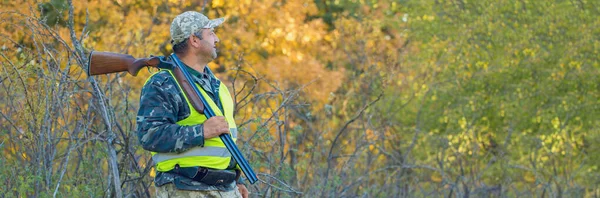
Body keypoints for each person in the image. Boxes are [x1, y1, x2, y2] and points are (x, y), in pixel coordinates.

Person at [136, 11, 249, 198]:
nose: (217, 38)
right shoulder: (164, 83)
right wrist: (201, 132)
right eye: (211, 32)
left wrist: (236, 179)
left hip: (224, 188)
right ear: (194, 41)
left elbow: (224, 140)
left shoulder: (218, 86)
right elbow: (149, 135)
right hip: (184, 189)